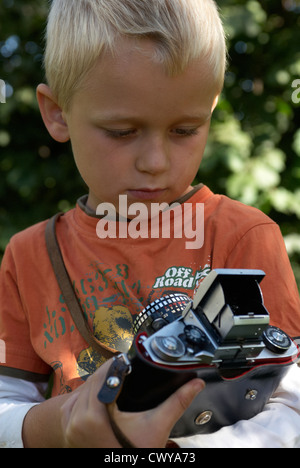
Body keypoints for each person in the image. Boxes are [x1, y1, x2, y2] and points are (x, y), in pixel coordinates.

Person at [0, 0, 300, 448]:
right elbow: (6, 401)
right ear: (57, 112)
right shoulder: (29, 256)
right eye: (122, 132)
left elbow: (290, 402)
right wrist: (63, 424)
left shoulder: (243, 237)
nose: (155, 162)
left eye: (184, 130)